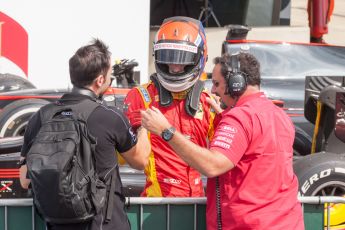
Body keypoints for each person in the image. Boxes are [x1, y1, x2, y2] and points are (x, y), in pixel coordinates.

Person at [141, 52, 304, 229]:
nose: (213, 90)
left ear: (236, 83)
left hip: (249, 225)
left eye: (217, 83)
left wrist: (167, 131)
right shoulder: (279, 115)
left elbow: (212, 165)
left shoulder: (240, 118)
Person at [19, 39, 150, 230]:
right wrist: (144, 127)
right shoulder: (110, 117)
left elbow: (25, 180)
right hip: (104, 224)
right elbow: (141, 161)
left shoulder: (41, 117)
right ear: (99, 80)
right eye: (110, 77)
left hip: (58, 225)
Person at [123, 16, 215, 197]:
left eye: (182, 59)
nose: (174, 67)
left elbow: (221, 159)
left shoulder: (208, 101)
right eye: (168, 57)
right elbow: (124, 155)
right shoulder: (141, 97)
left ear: (200, 57)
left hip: (197, 202)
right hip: (157, 204)